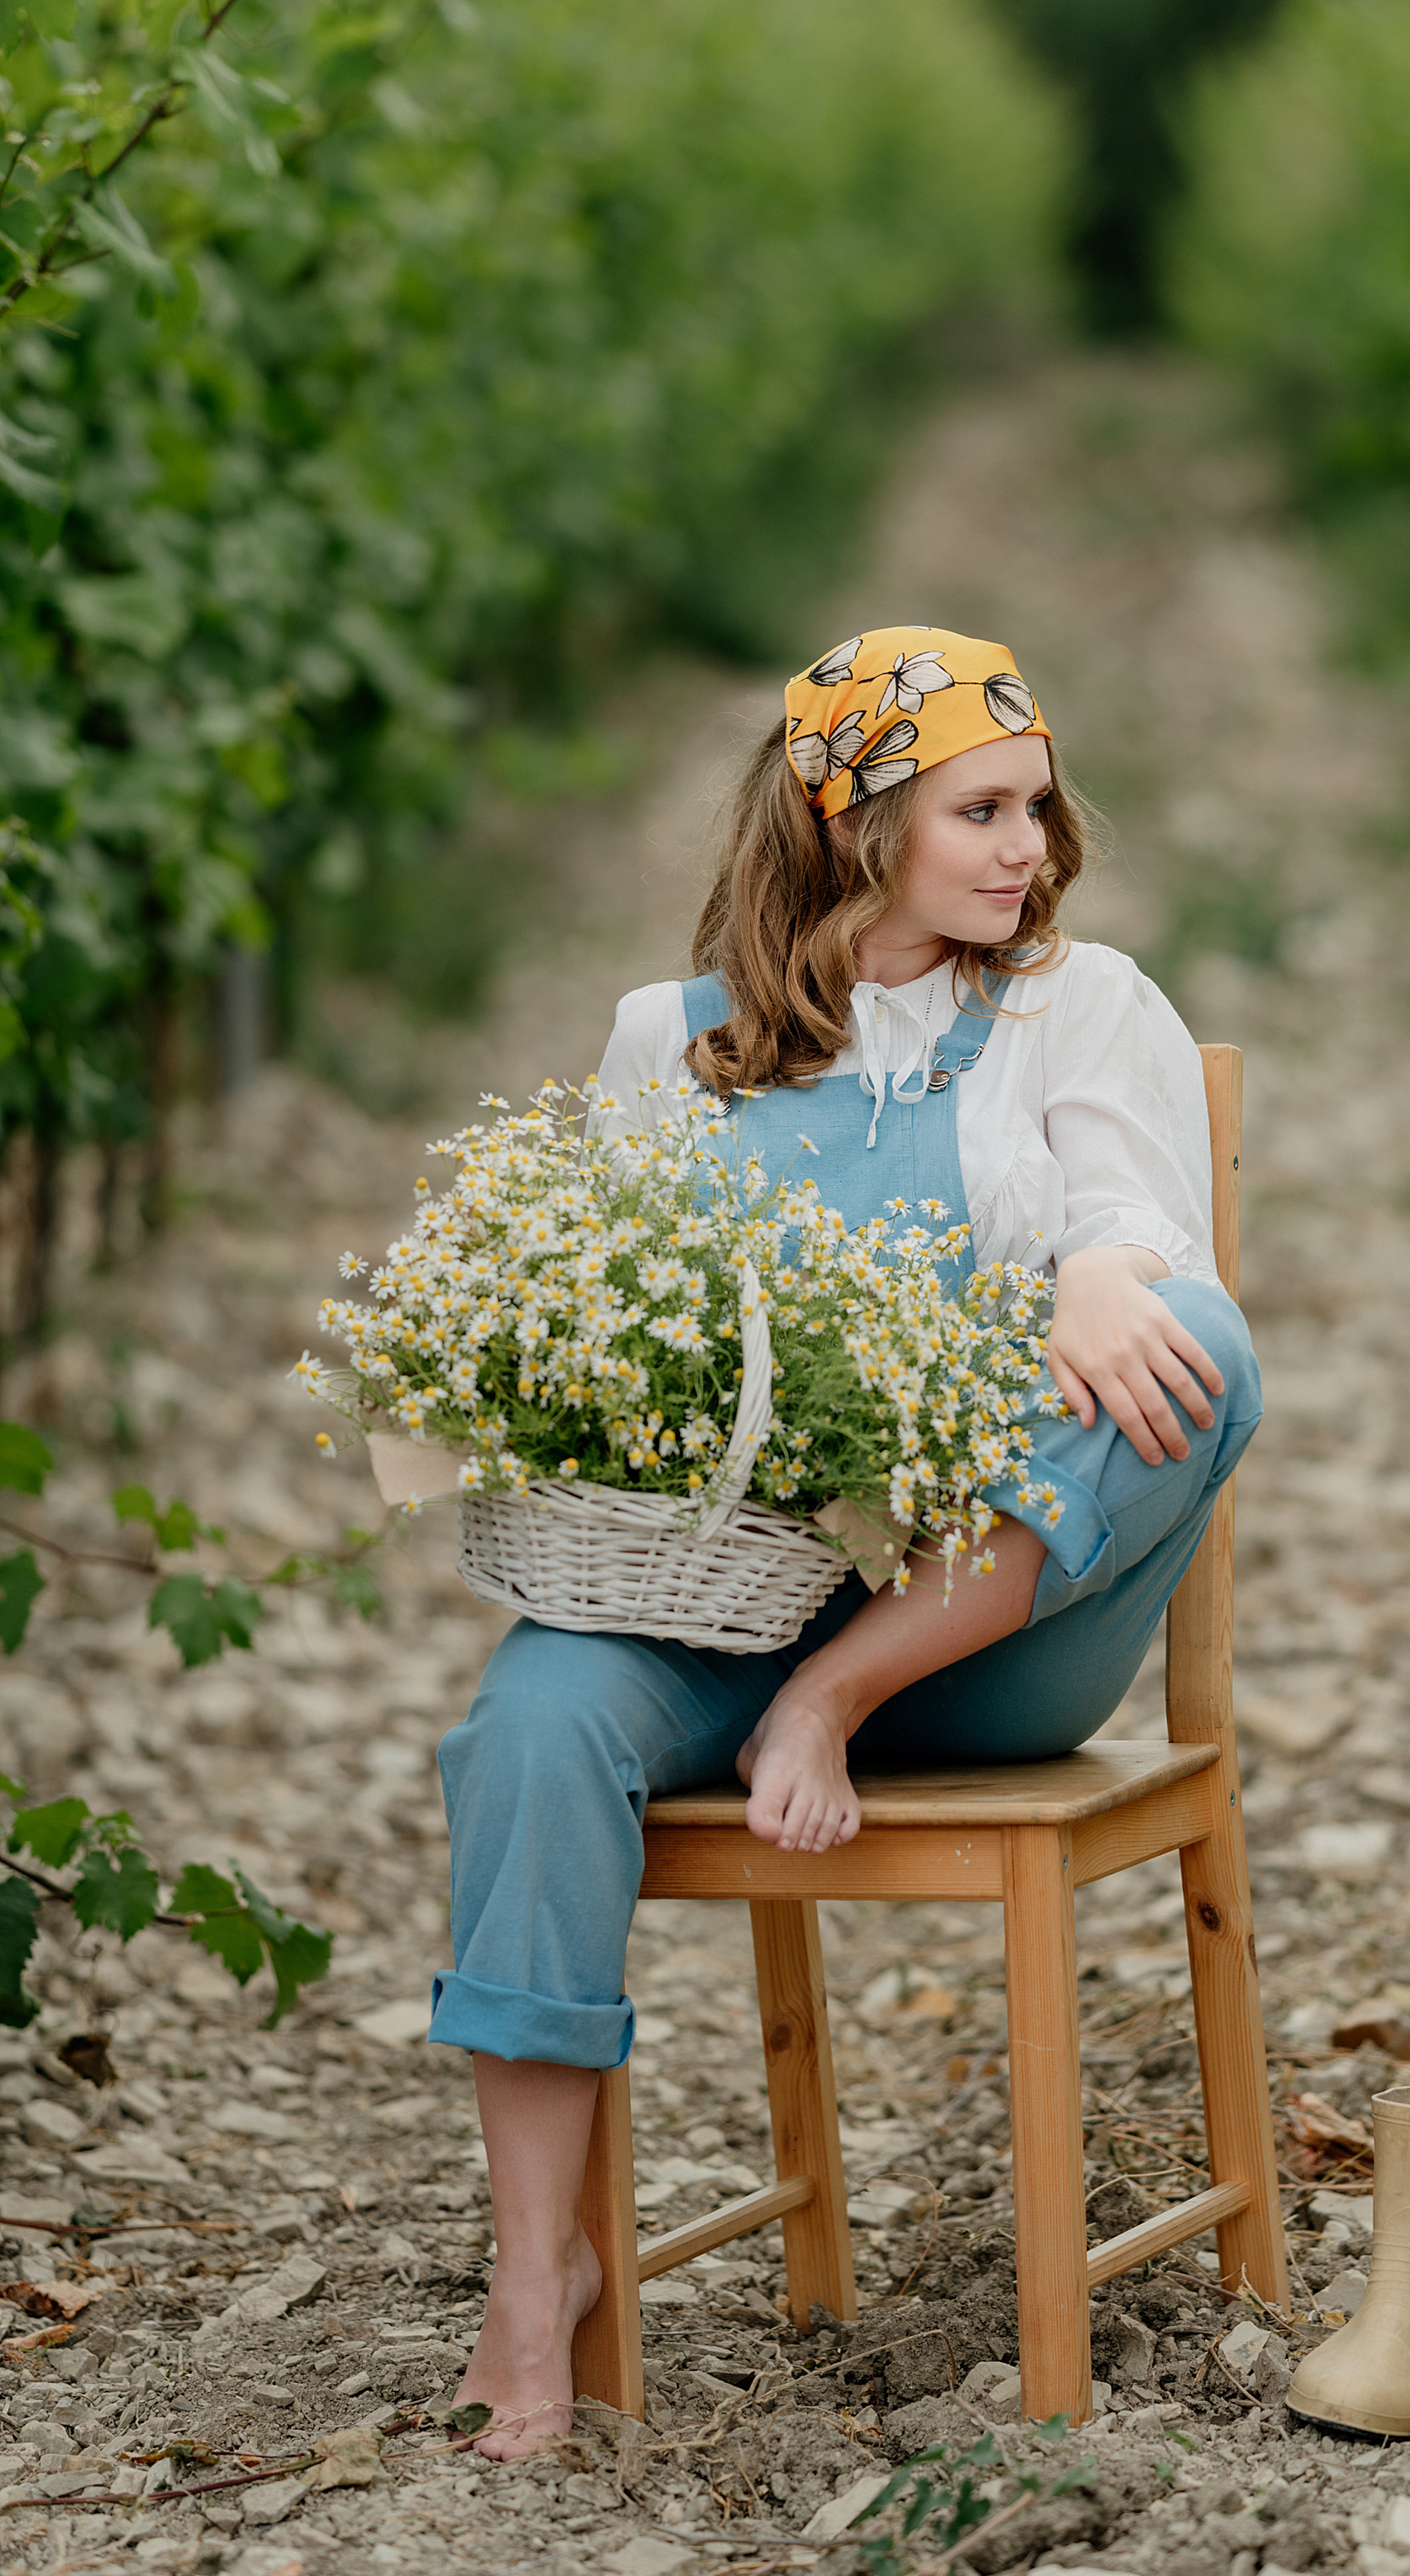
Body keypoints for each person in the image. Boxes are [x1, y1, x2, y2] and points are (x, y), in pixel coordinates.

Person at [431, 626, 1264, 2456]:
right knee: (533, 1728)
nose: (1024, 850)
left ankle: (835, 1692)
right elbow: (611, 1331)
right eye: (979, 810)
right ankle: (530, 2275)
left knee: (1200, 1346)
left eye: (1035, 809)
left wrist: (1094, 1269)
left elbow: (1143, 1226)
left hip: (981, 1640)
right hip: (717, 1605)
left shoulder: (1073, 1002)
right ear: (850, 819)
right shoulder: (672, 1040)